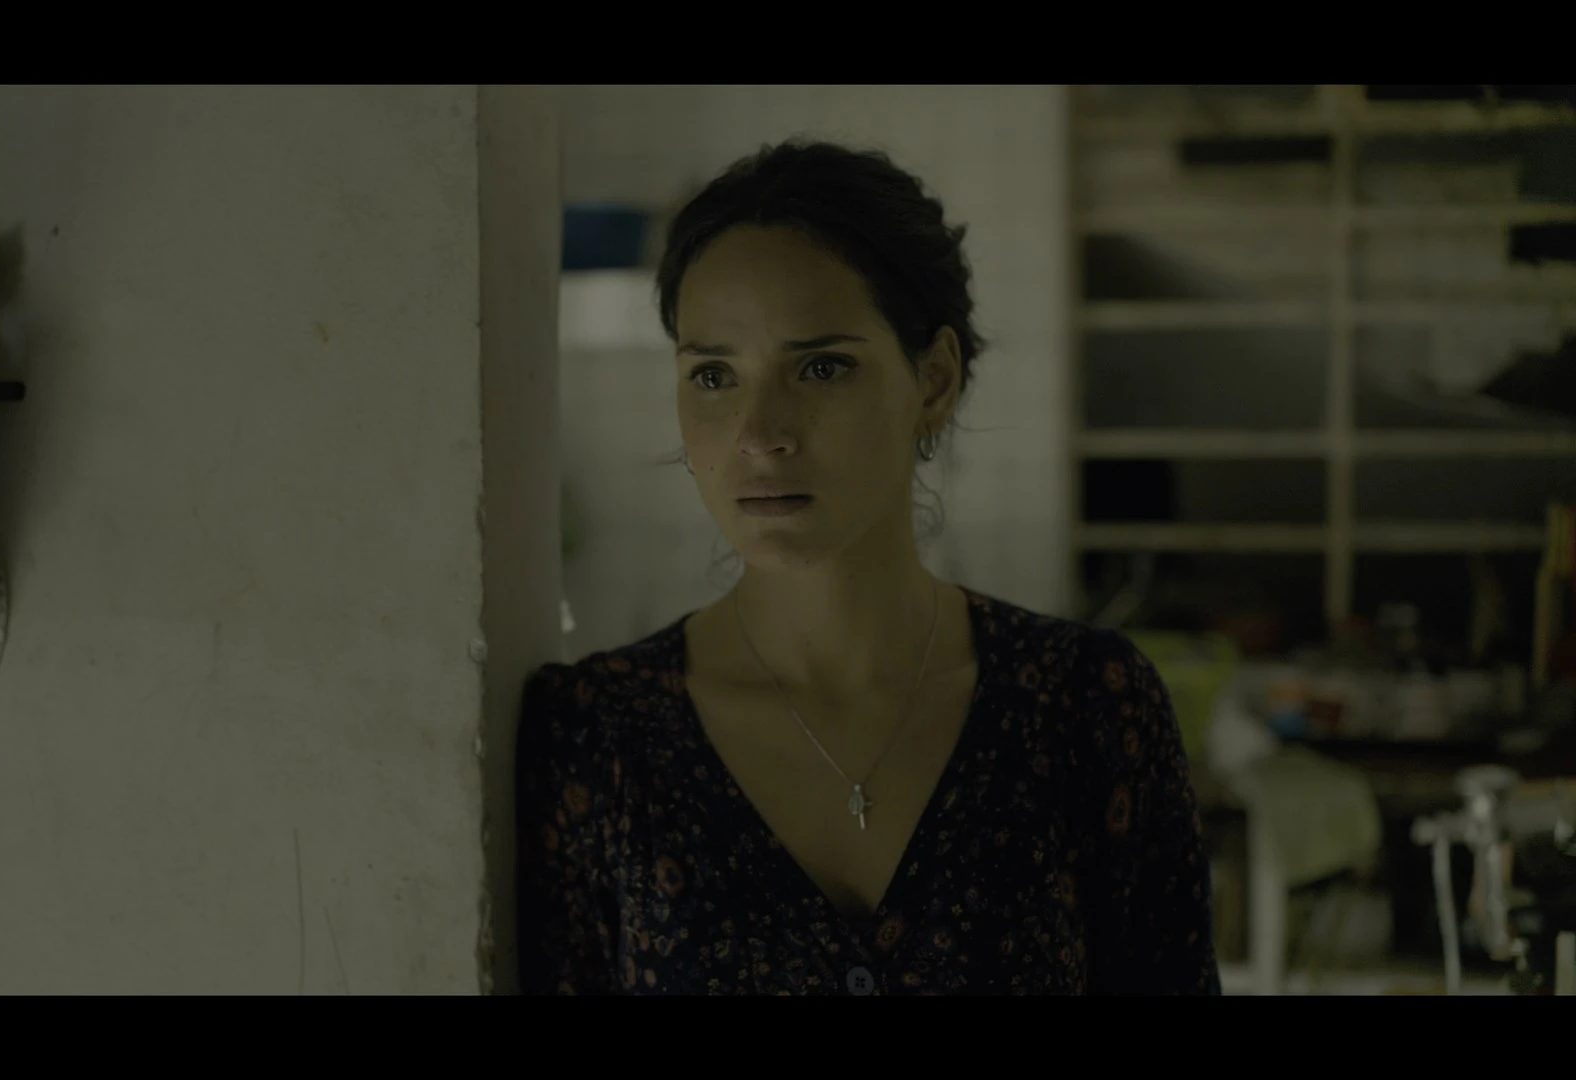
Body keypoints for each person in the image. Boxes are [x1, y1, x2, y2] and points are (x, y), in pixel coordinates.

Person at [517, 140, 1219, 996]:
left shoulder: (1086, 709)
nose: (759, 433)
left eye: (821, 367)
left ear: (934, 381)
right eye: (714, 375)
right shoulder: (598, 740)